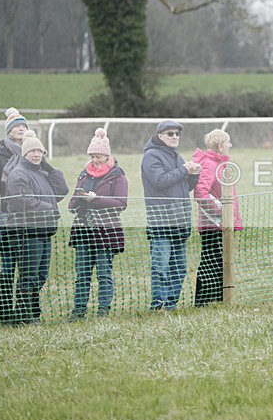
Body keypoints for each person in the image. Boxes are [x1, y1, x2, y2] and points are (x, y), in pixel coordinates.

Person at [5, 130, 68, 324]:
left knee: (40, 275)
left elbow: (62, 191)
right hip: (27, 232)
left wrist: (50, 169)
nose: (37, 155)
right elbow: (23, 202)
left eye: (40, 151)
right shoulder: (19, 174)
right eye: (32, 151)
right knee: (29, 275)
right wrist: (50, 209)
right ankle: (25, 315)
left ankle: (30, 312)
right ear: (24, 154)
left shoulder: (41, 172)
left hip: (44, 232)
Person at [67, 128, 128, 320]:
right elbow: (72, 203)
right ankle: (78, 311)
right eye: (92, 156)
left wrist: (95, 199)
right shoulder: (83, 175)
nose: (95, 159)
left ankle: (103, 310)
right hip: (83, 230)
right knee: (82, 274)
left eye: (99, 156)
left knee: (104, 273)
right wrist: (79, 200)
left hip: (106, 232)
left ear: (107, 155)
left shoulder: (118, 176)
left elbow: (121, 203)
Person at [141, 120, 201, 311]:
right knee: (161, 268)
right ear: (160, 136)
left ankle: (171, 305)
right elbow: (159, 181)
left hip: (180, 221)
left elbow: (184, 187)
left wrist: (193, 175)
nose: (175, 137)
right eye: (170, 134)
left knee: (179, 269)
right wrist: (184, 170)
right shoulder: (151, 157)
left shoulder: (178, 156)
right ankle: (157, 305)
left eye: (177, 133)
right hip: (161, 223)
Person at [192, 129, 243, 307]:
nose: (230, 145)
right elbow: (200, 192)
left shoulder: (218, 163)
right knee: (210, 260)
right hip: (213, 224)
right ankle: (203, 300)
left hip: (221, 223)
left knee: (218, 260)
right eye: (228, 143)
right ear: (221, 146)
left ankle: (216, 298)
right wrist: (219, 212)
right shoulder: (210, 164)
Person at [0, 107, 30, 325]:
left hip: (26, 216)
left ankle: (23, 311)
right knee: (8, 266)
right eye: (17, 126)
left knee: (26, 266)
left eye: (24, 126)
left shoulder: (33, 152)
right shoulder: (0, 156)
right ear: (9, 131)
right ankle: (5, 313)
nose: (21, 129)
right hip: (5, 215)